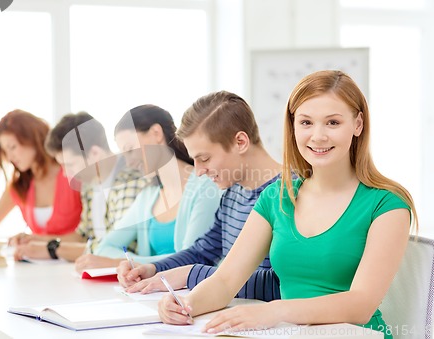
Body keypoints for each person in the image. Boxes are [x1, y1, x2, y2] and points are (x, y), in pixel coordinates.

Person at [158, 70, 418, 339]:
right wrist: (186, 304)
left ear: (358, 125)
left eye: (332, 122)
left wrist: (276, 311)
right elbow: (225, 281)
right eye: (306, 122)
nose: (317, 136)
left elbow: (361, 304)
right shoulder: (276, 198)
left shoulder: (388, 204)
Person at [117, 91, 282, 302]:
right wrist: (153, 268)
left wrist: (189, 275)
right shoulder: (233, 193)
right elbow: (203, 251)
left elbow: (280, 283)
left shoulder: (291, 194)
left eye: (204, 158)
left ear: (240, 142)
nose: (198, 171)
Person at [74, 105, 222, 273]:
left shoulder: (206, 187)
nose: (129, 162)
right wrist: (129, 264)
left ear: (156, 134)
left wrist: (126, 264)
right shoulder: (147, 197)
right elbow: (104, 247)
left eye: (130, 150)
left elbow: (192, 259)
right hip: (153, 294)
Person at [11, 112, 147, 262]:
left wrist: (52, 249)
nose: (65, 174)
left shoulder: (130, 179)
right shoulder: (90, 183)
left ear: (95, 153)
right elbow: (83, 236)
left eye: (70, 164)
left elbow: (121, 248)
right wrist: (36, 240)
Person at [0, 110, 82, 240]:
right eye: (5, 151)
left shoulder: (72, 171)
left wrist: (34, 240)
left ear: (32, 138)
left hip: (77, 259)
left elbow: (86, 235)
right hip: (35, 260)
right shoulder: (19, 186)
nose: (10, 157)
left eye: (12, 147)